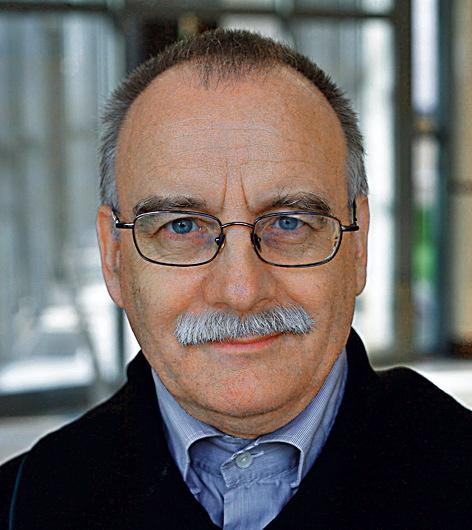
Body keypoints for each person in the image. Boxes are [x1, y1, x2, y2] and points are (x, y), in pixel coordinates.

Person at [0, 29, 470, 530]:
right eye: (182, 227)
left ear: (358, 246)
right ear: (114, 257)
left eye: (289, 222)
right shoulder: (21, 505)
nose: (241, 291)